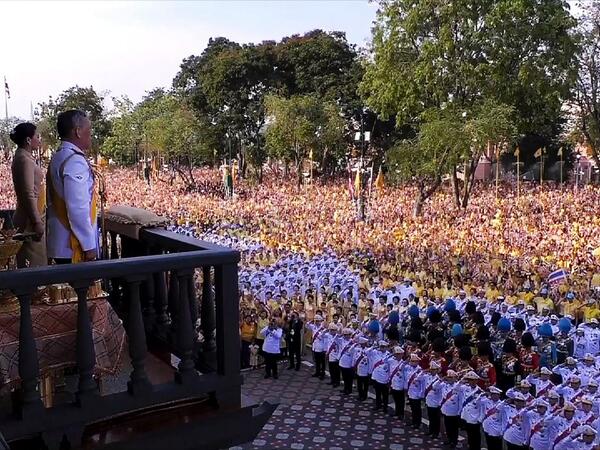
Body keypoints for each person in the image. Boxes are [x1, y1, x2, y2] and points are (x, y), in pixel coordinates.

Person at [47, 110, 98, 264]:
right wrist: (89, 245)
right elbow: (78, 207)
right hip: (73, 246)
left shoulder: (59, 156)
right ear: (78, 131)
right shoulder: (74, 160)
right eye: (89, 129)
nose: (91, 134)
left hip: (61, 242)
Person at [9, 122, 46, 267]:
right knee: (35, 265)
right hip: (29, 221)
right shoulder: (24, 160)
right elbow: (28, 194)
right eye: (37, 136)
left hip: (31, 216)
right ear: (28, 140)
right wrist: (36, 222)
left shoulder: (23, 157)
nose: (39, 139)